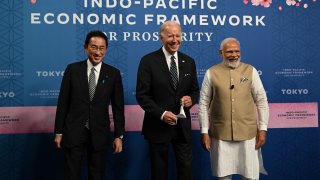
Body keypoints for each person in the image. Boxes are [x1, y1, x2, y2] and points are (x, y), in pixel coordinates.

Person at [54, 30, 125, 180]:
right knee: (71, 174)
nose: (98, 52)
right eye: (94, 47)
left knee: (97, 175)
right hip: (74, 131)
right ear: (85, 47)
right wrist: (58, 132)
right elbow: (63, 103)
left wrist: (119, 135)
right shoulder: (72, 70)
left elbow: (118, 108)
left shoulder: (113, 74)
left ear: (106, 49)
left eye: (102, 48)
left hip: (99, 133)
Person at [136, 21, 199, 180]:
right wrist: (162, 113)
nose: (175, 39)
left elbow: (195, 91)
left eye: (178, 35)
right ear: (161, 38)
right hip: (157, 126)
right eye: (170, 35)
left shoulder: (189, 61)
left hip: (182, 128)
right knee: (159, 172)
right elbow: (142, 95)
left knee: (186, 170)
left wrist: (191, 99)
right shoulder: (148, 61)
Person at [198, 37, 269, 180]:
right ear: (221, 53)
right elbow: (204, 103)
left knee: (250, 176)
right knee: (223, 177)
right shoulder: (211, 72)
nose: (234, 55)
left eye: (237, 51)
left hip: (248, 134)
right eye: (229, 51)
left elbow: (261, 101)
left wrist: (262, 129)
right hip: (220, 135)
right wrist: (204, 131)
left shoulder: (251, 71)